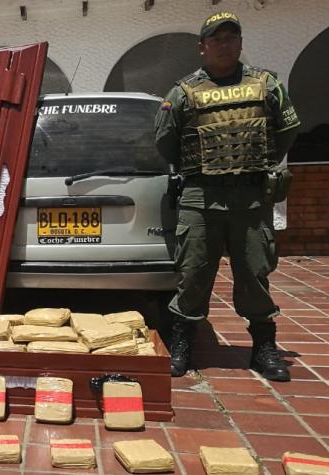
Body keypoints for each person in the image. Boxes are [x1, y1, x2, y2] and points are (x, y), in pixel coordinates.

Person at [154, 12, 301, 381]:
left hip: (250, 199)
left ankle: (264, 347)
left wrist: (259, 163)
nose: (224, 44)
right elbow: (166, 141)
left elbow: (286, 131)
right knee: (193, 274)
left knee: (255, 273)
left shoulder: (266, 85)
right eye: (216, 39)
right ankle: (182, 343)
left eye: (231, 37)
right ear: (202, 47)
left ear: (240, 43)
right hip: (200, 198)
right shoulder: (183, 92)